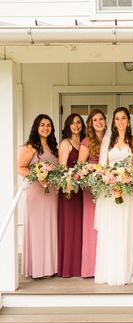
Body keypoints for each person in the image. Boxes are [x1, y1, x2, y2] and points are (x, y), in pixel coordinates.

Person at [94, 107, 133, 285]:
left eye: (123, 118)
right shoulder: (108, 142)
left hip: (128, 193)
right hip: (110, 192)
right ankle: (109, 271)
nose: (120, 121)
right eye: (117, 119)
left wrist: (124, 182)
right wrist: (111, 181)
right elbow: (103, 166)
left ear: (128, 121)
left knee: (127, 229)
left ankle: (125, 271)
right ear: (113, 122)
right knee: (111, 230)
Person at [17, 114, 58, 278]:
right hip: (36, 192)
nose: (46, 128)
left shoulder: (52, 147)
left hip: (52, 193)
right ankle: (37, 269)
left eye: (48, 125)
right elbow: (20, 167)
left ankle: (50, 267)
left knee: (50, 227)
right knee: (37, 229)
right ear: (36, 127)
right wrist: (38, 176)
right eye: (42, 125)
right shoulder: (30, 147)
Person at [78, 109, 107, 278]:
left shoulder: (111, 140)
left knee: (106, 225)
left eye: (101, 119)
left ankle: (105, 264)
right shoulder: (87, 141)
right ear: (90, 123)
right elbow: (81, 166)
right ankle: (90, 267)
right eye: (95, 119)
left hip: (109, 187)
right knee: (92, 226)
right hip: (92, 189)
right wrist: (92, 174)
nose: (98, 122)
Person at [58, 113, 86, 277]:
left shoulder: (82, 142)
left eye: (78, 122)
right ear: (68, 126)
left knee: (79, 226)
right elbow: (62, 168)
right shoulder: (66, 143)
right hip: (68, 189)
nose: (76, 126)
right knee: (70, 226)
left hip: (80, 190)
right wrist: (69, 182)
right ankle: (68, 267)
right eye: (73, 123)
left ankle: (79, 265)